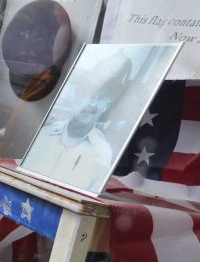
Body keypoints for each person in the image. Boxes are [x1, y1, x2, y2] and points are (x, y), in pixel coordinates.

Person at [25, 51, 132, 193]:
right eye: (90, 94)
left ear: (107, 105)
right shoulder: (44, 133)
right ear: (77, 93)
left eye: (102, 98)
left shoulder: (102, 152)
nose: (92, 105)